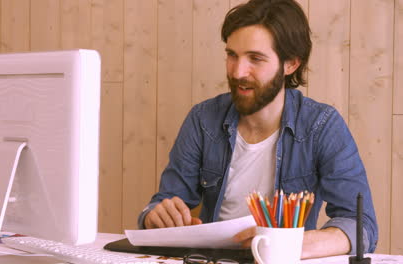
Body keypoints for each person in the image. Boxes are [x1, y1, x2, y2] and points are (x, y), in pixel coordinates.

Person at [137, 0, 378, 259]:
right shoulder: (202, 119)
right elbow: (164, 203)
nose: (238, 71)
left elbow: (361, 226)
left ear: (291, 64)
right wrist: (154, 216)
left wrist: (285, 244)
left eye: (255, 58)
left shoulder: (322, 125)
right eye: (232, 55)